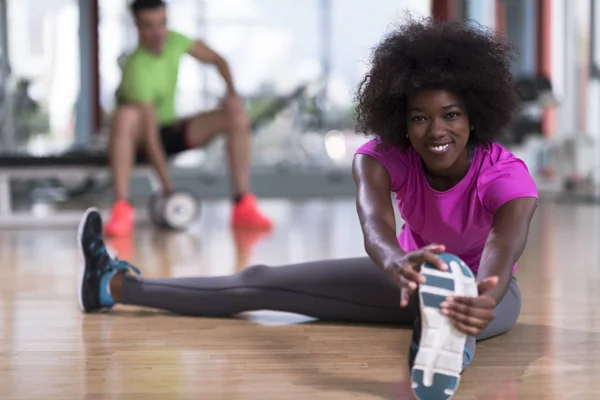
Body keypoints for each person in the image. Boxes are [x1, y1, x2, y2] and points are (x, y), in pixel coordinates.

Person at [77, 17, 538, 399]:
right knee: (259, 282)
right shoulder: (380, 157)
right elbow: (376, 225)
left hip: (487, 292)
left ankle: (448, 339)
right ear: (401, 120)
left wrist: (484, 297)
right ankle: (111, 284)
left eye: (451, 114)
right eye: (420, 117)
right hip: (405, 276)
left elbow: (503, 245)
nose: (436, 130)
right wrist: (396, 261)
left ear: (474, 115)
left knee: (458, 310)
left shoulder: (507, 174)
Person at [105, 0, 272, 236]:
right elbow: (152, 138)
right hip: (141, 138)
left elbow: (218, 60)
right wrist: (168, 190)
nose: (158, 33)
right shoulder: (136, 66)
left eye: (162, 23)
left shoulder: (175, 40)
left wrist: (232, 95)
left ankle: (243, 205)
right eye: (149, 26)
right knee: (125, 117)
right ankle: (122, 207)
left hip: (170, 128)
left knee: (236, 117)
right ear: (137, 27)